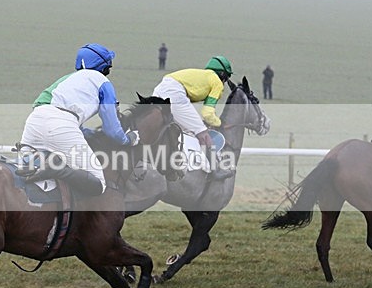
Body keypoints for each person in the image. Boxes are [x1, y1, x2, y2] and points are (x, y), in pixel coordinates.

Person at [19, 43, 139, 196]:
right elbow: (113, 130)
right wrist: (129, 139)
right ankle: (58, 169)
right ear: (102, 65)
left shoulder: (66, 79)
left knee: (25, 172)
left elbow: (42, 105)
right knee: (99, 184)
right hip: (61, 125)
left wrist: (88, 133)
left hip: (35, 121)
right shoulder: (102, 82)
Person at [152, 56, 235, 179]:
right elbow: (207, 113)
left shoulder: (202, 76)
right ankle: (215, 171)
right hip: (175, 94)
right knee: (203, 134)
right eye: (226, 78)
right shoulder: (216, 82)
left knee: (171, 129)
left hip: (160, 88)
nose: (224, 83)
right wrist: (219, 123)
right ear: (222, 75)